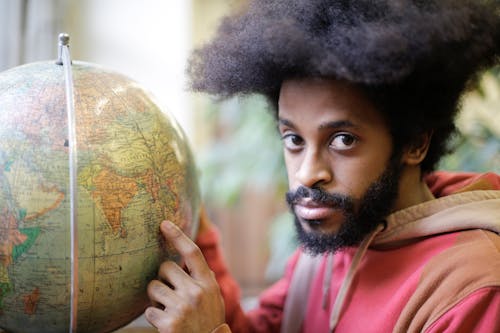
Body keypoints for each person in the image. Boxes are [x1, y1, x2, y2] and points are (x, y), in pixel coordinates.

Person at [144, 1, 500, 332]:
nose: (307, 173)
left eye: (342, 139)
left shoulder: (474, 288)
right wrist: (195, 232)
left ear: (414, 142)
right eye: (293, 139)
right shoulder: (331, 243)